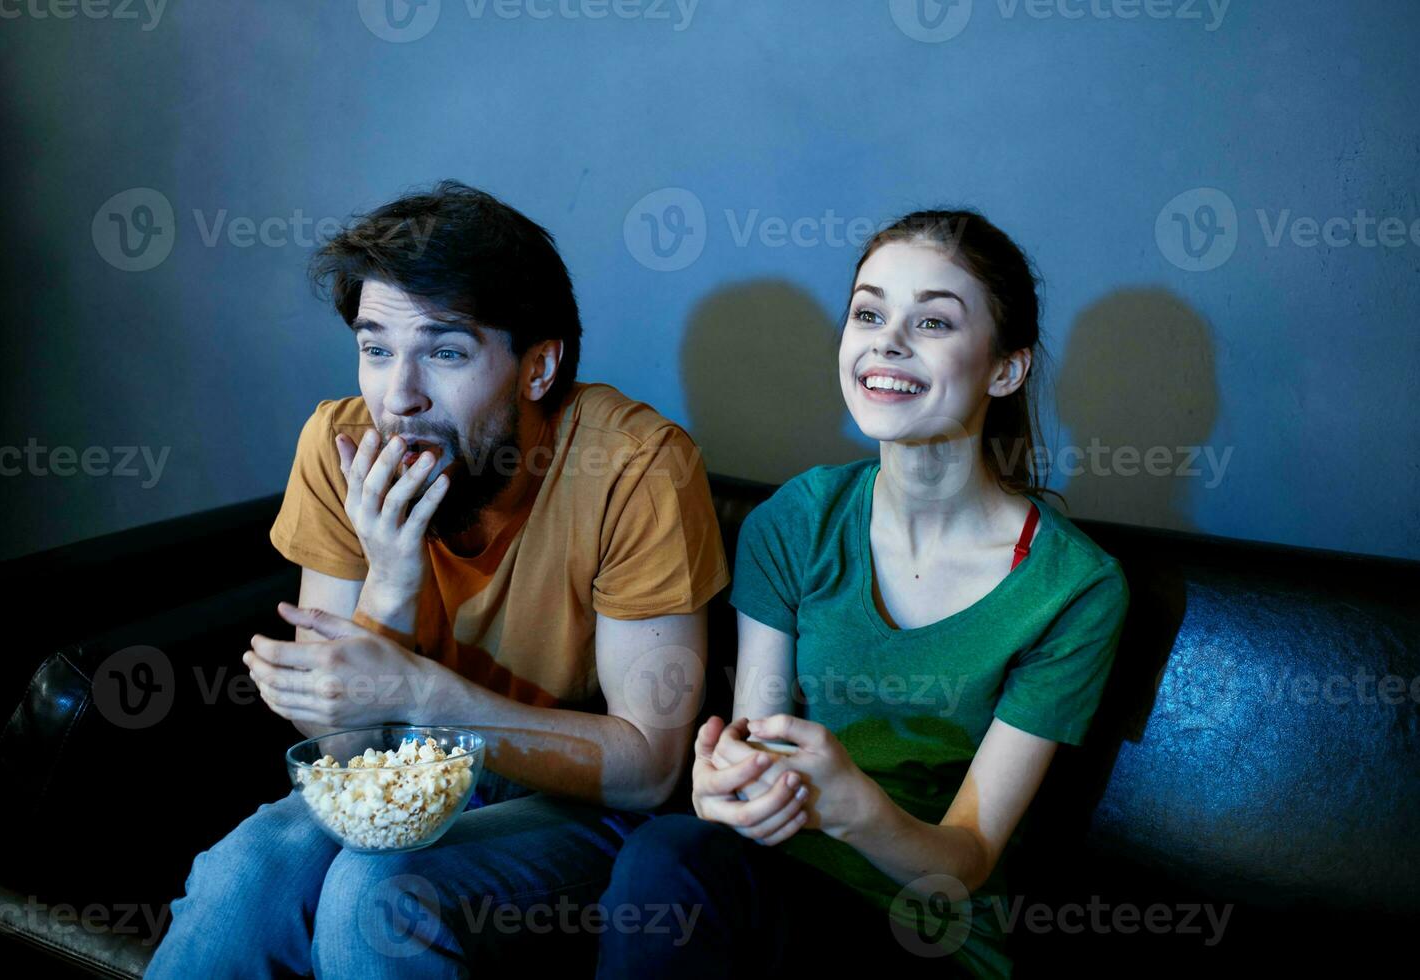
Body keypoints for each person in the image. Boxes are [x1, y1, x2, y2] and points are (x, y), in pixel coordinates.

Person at [146, 180, 729, 977]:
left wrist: (417, 693)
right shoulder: (339, 444)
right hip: (404, 776)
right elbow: (344, 748)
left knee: (376, 892)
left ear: (537, 367)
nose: (399, 396)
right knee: (242, 876)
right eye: (376, 348)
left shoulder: (635, 467)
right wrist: (388, 579)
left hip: (576, 803)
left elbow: (648, 766)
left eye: (445, 351)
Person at [596, 209, 1131, 978]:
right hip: (773, 892)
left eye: (933, 322)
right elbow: (757, 744)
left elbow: (968, 858)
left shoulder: (1073, 589)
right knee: (670, 852)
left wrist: (856, 808)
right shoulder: (795, 522)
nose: (887, 341)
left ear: (1005, 369)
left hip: (926, 935)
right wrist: (725, 788)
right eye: (869, 313)